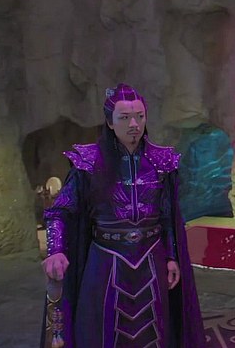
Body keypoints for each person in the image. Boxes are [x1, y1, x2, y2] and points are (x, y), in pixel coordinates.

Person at [40, 84, 205, 347]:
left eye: (140, 116)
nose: (134, 124)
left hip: (151, 257)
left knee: (155, 329)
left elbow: (168, 217)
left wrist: (172, 257)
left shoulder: (161, 161)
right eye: (125, 117)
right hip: (106, 259)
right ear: (110, 122)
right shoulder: (88, 162)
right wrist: (55, 250)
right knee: (103, 329)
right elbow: (58, 211)